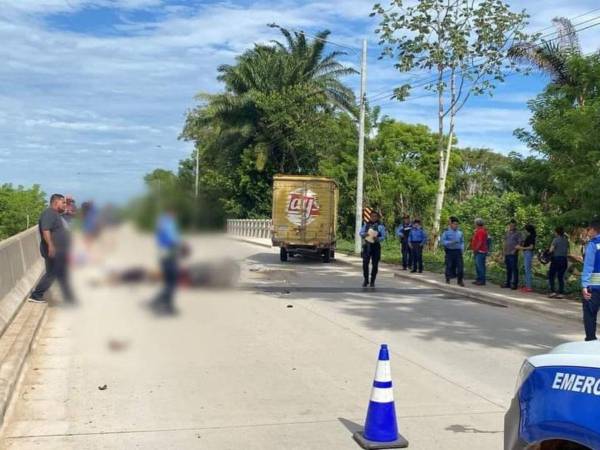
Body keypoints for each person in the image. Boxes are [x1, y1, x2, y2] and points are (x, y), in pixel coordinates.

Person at [29, 194, 76, 304]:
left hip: (58, 249)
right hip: (53, 249)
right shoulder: (49, 214)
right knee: (53, 273)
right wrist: (51, 246)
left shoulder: (55, 214)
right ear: (56, 202)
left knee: (54, 272)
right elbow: (46, 230)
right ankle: (37, 294)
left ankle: (38, 294)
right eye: (63, 202)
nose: (65, 205)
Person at [151, 209, 181, 314]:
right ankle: (168, 306)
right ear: (171, 214)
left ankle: (163, 302)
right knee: (172, 282)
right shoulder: (168, 224)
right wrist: (179, 245)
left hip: (163, 255)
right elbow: (172, 239)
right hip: (169, 256)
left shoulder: (161, 224)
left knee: (169, 281)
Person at [581, 220, 600, 341]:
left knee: (590, 315)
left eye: (588, 230)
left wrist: (584, 285)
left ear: (594, 230)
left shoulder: (593, 244)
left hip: (594, 287)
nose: (588, 232)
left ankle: (591, 341)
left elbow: (588, 266)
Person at [360, 211, 386, 288]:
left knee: (375, 265)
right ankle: (366, 279)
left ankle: (372, 281)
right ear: (370, 217)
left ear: (377, 217)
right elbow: (360, 233)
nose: (373, 218)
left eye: (375, 216)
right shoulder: (366, 225)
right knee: (365, 264)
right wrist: (364, 234)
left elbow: (383, 236)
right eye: (372, 216)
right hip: (367, 246)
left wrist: (378, 238)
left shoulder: (381, 226)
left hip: (376, 246)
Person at [441, 217, 465, 286]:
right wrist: (450, 242)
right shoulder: (446, 232)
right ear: (451, 224)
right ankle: (448, 278)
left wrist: (462, 248)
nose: (456, 225)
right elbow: (443, 242)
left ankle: (460, 280)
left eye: (457, 224)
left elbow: (462, 241)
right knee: (449, 265)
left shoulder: (460, 233)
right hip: (450, 251)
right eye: (454, 224)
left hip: (458, 251)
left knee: (460, 266)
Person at [548, 227, 570, 299]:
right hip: (564, 259)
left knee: (551, 275)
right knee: (560, 276)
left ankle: (552, 292)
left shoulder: (555, 240)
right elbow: (567, 251)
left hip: (556, 259)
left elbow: (551, 250)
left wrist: (548, 253)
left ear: (556, 232)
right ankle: (561, 293)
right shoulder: (566, 240)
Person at [503, 220, 522, 290]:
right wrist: (503, 251)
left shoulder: (518, 233)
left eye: (513, 225)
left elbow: (520, 242)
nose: (511, 227)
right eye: (510, 225)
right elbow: (505, 242)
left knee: (514, 268)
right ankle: (508, 282)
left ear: (515, 226)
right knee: (508, 269)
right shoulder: (507, 233)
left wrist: (515, 250)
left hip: (513, 253)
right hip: (507, 252)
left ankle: (514, 284)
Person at [518, 224, 537, 293]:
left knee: (527, 270)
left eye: (525, 230)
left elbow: (531, 247)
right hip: (527, 253)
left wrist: (521, 248)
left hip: (528, 253)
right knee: (527, 270)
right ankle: (527, 286)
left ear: (527, 230)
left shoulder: (531, 237)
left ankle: (528, 287)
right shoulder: (530, 236)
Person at [470, 218, 489, 286]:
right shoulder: (479, 231)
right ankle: (479, 279)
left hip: (480, 251)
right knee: (478, 266)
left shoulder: (481, 231)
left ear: (477, 224)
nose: (474, 224)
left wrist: (476, 249)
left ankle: (482, 280)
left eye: (475, 223)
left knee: (480, 266)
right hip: (479, 251)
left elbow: (480, 241)